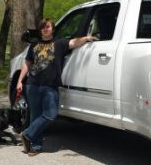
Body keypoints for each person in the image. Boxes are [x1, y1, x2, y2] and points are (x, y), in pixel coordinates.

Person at [16, 18, 97, 156]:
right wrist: (19, 81)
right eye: (43, 27)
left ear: (52, 29)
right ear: (40, 30)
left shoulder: (59, 43)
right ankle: (35, 147)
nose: (45, 29)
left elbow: (74, 42)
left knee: (50, 114)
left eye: (48, 27)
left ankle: (27, 134)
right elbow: (27, 63)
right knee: (35, 116)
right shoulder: (34, 45)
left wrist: (87, 38)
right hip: (32, 85)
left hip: (50, 86)